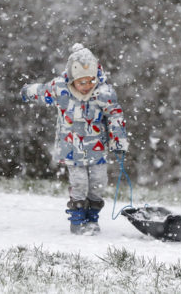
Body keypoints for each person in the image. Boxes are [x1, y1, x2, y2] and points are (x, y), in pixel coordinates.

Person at [20, 43, 129, 235]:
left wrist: (118, 140)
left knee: (98, 182)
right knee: (79, 183)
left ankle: (92, 218)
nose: (86, 86)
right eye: (81, 82)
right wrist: (28, 91)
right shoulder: (61, 90)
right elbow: (43, 90)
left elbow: (115, 115)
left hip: (97, 147)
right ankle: (77, 219)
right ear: (71, 80)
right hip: (71, 147)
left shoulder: (103, 93)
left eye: (90, 81)